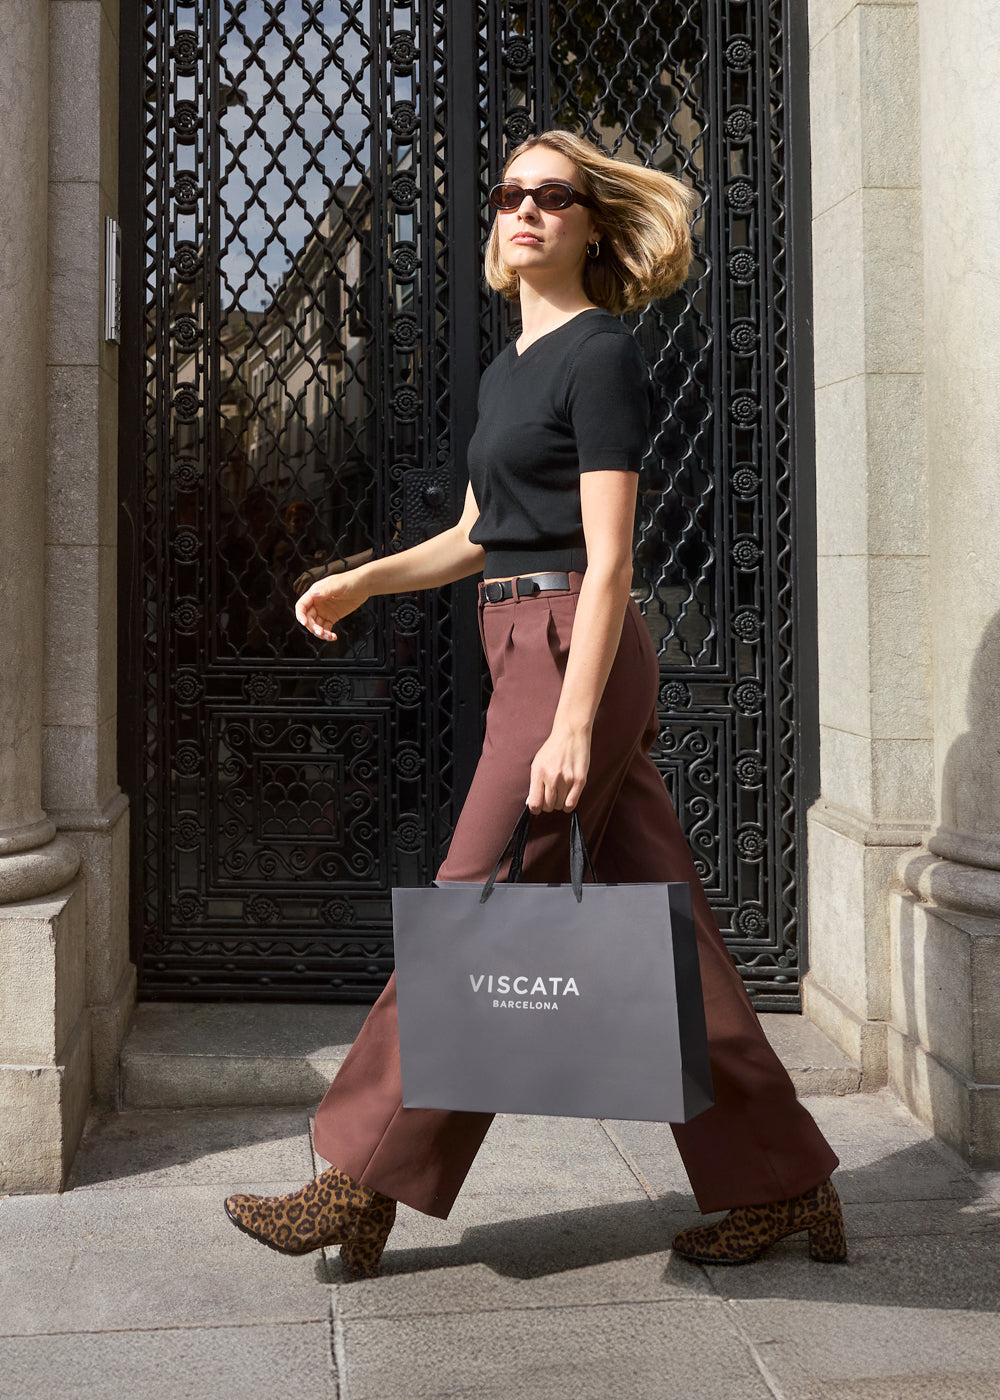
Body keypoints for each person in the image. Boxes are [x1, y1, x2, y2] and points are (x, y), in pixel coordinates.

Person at [223, 129, 847, 1278]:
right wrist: (365, 578)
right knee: (674, 939)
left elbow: (610, 560)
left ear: (592, 223)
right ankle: (784, 1177)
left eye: (552, 195)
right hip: (524, 640)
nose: (523, 209)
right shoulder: (510, 368)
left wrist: (569, 720)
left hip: (571, 650)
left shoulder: (600, 354)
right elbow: (477, 532)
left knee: (471, 904)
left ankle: (355, 1180)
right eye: (509, 191)